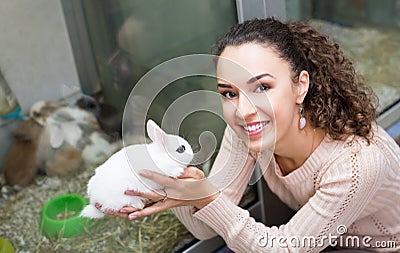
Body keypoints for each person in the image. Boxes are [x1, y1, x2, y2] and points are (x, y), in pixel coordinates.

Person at [100, 18, 400, 252]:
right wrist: (166, 183)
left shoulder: (358, 164)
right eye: (229, 93)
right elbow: (206, 227)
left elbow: (285, 248)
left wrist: (208, 198)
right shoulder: (246, 131)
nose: (243, 110)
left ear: (301, 86)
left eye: (262, 87)